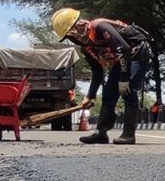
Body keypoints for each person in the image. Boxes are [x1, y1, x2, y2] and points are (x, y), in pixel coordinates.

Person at [51, 8, 152, 144]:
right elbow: (97, 70)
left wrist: (124, 79)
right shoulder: (86, 47)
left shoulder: (100, 26)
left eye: (70, 35)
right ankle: (101, 133)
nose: (72, 39)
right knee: (109, 93)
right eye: (68, 38)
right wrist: (90, 96)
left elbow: (123, 49)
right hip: (121, 60)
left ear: (79, 26)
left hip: (136, 53)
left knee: (128, 90)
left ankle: (129, 134)